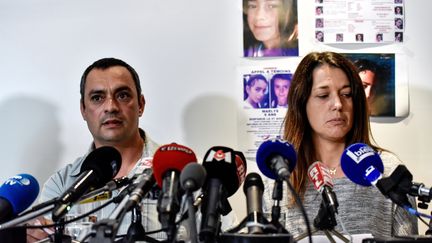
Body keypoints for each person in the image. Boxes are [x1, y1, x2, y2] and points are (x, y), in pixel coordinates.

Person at [262, 52, 418, 238]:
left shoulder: (389, 171)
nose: (337, 104)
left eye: (346, 94)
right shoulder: (278, 177)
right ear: (302, 103)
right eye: (323, 95)